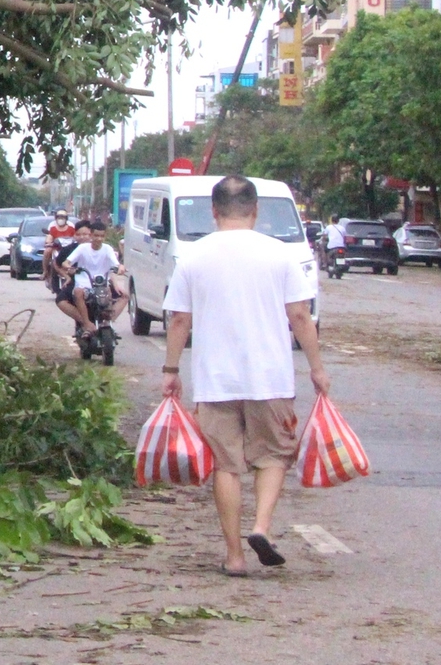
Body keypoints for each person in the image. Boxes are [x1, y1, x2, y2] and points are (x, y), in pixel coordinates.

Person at [161, 174, 330, 578]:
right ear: (256, 211)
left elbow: (180, 320)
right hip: (269, 377)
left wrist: (170, 371)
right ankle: (261, 527)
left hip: (215, 379)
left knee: (226, 465)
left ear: (214, 211)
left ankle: (235, 557)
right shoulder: (281, 255)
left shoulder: (194, 257)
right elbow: (300, 316)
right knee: (273, 456)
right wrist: (317, 369)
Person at [55, 221, 121, 338]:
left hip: (101, 284)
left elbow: (116, 264)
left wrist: (120, 268)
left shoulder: (108, 249)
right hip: (84, 283)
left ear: (105, 236)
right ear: (91, 236)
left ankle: (108, 320)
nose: (99, 239)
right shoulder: (82, 248)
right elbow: (65, 262)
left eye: (102, 236)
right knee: (77, 293)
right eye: (96, 236)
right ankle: (86, 323)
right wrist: (69, 268)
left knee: (119, 295)